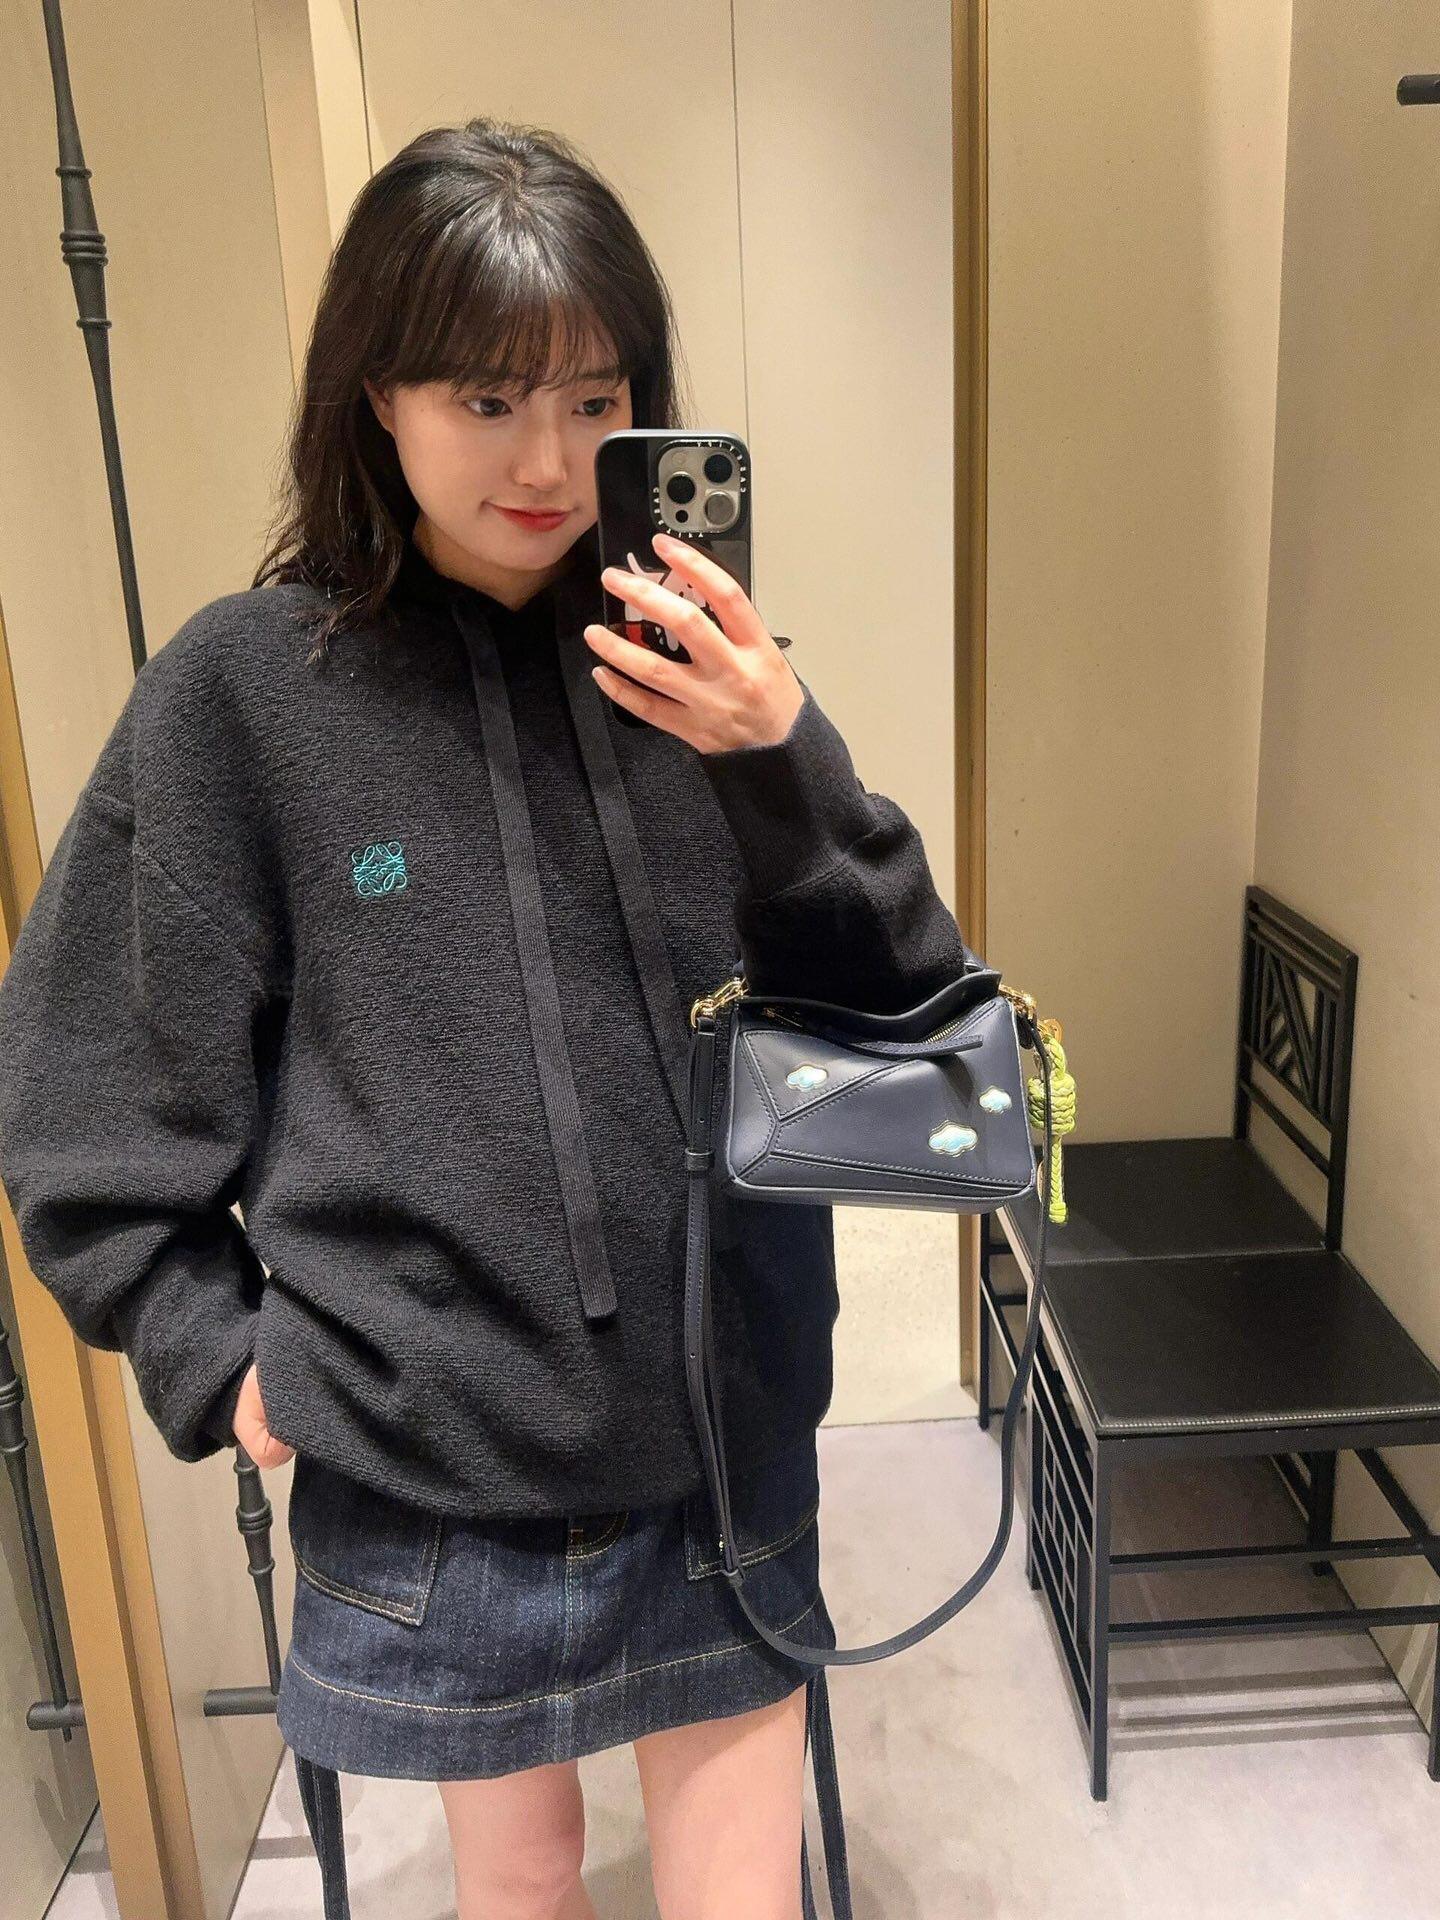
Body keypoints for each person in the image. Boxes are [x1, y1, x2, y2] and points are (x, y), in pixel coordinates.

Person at [0, 116, 976, 1920]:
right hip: (433, 1469)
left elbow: (911, 1018)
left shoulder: (708, 679)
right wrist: (218, 1356)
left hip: (719, 1427)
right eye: (486, 398)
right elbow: (85, 1101)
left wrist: (783, 757)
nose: (548, 460)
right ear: (377, 393)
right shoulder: (245, 696)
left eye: (598, 401)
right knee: (515, 1895)